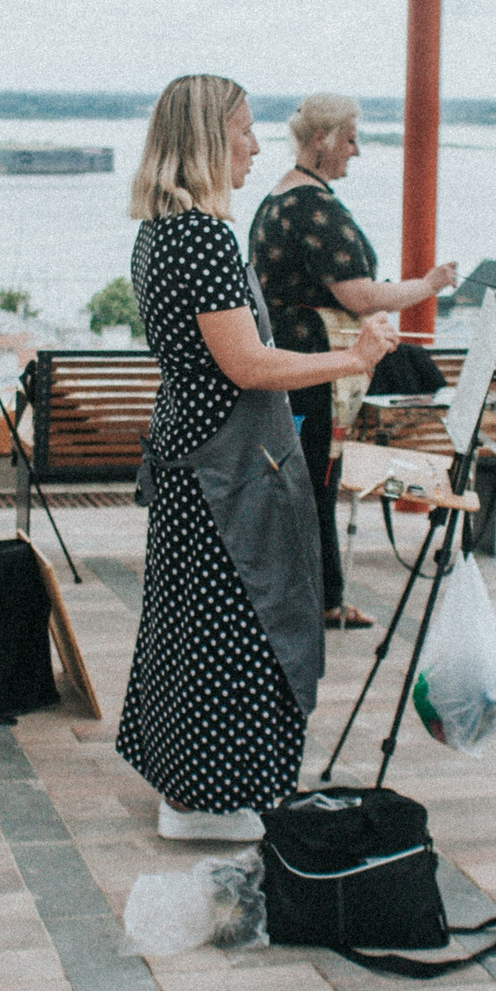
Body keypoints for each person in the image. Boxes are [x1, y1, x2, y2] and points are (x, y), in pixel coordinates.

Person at [123, 75, 398, 841]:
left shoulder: (158, 230)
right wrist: (352, 359)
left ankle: (187, 788)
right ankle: (207, 802)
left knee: (189, 628)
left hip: (188, 451)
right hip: (225, 467)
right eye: (243, 129)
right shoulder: (204, 236)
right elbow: (246, 364)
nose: (253, 144)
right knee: (236, 629)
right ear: (209, 139)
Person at [248, 93, 458, 629]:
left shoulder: (277, 199)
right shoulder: (314, 207)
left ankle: (303, 594)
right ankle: (322, 599)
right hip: (317, 360)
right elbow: (360, 296)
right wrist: (427, 285)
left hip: (289, 354)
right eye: (350, 138)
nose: (356, 150)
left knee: (303, 477)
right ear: (321, 138)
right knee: (318, 478)